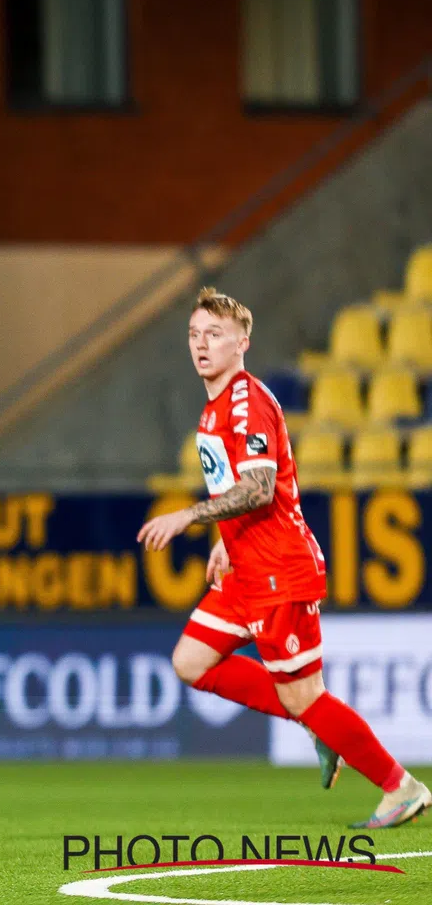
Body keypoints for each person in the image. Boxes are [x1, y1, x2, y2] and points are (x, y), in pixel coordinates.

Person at [137, 286, 428, 829]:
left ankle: (401, 786)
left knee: (305, 696)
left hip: (280, 570)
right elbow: (243, 488)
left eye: (215, 335)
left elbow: (262, 487)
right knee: (191, 662)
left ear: (241, 343)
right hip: (247, 567)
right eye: (195, 335)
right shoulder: (214, 409)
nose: (202, 344)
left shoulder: (246, 403)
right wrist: (226, 538)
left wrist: (190, 516)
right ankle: (320, 726)